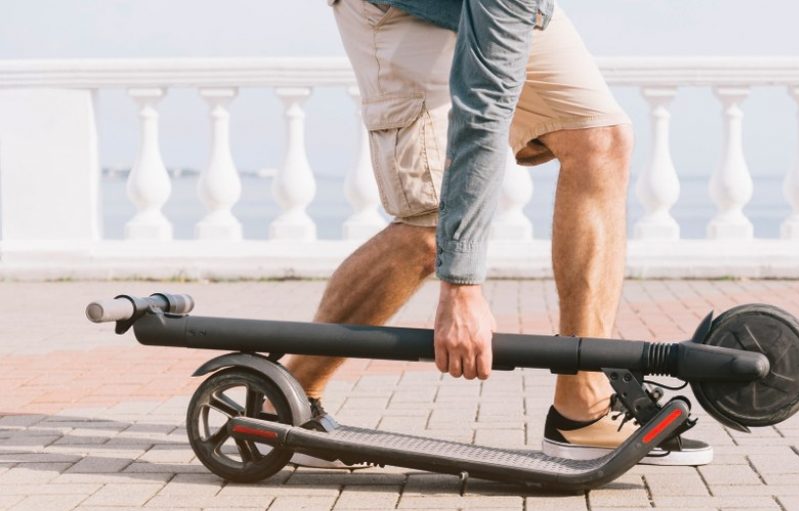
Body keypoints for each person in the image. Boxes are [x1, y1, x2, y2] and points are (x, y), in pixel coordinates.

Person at [285, 0, 712, 467]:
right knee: (435, 224)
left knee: (600, 139)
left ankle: (581, 406)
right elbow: (483, 111)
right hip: (399, 11)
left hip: (507, 10)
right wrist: (462, 288)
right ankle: (287, 397)